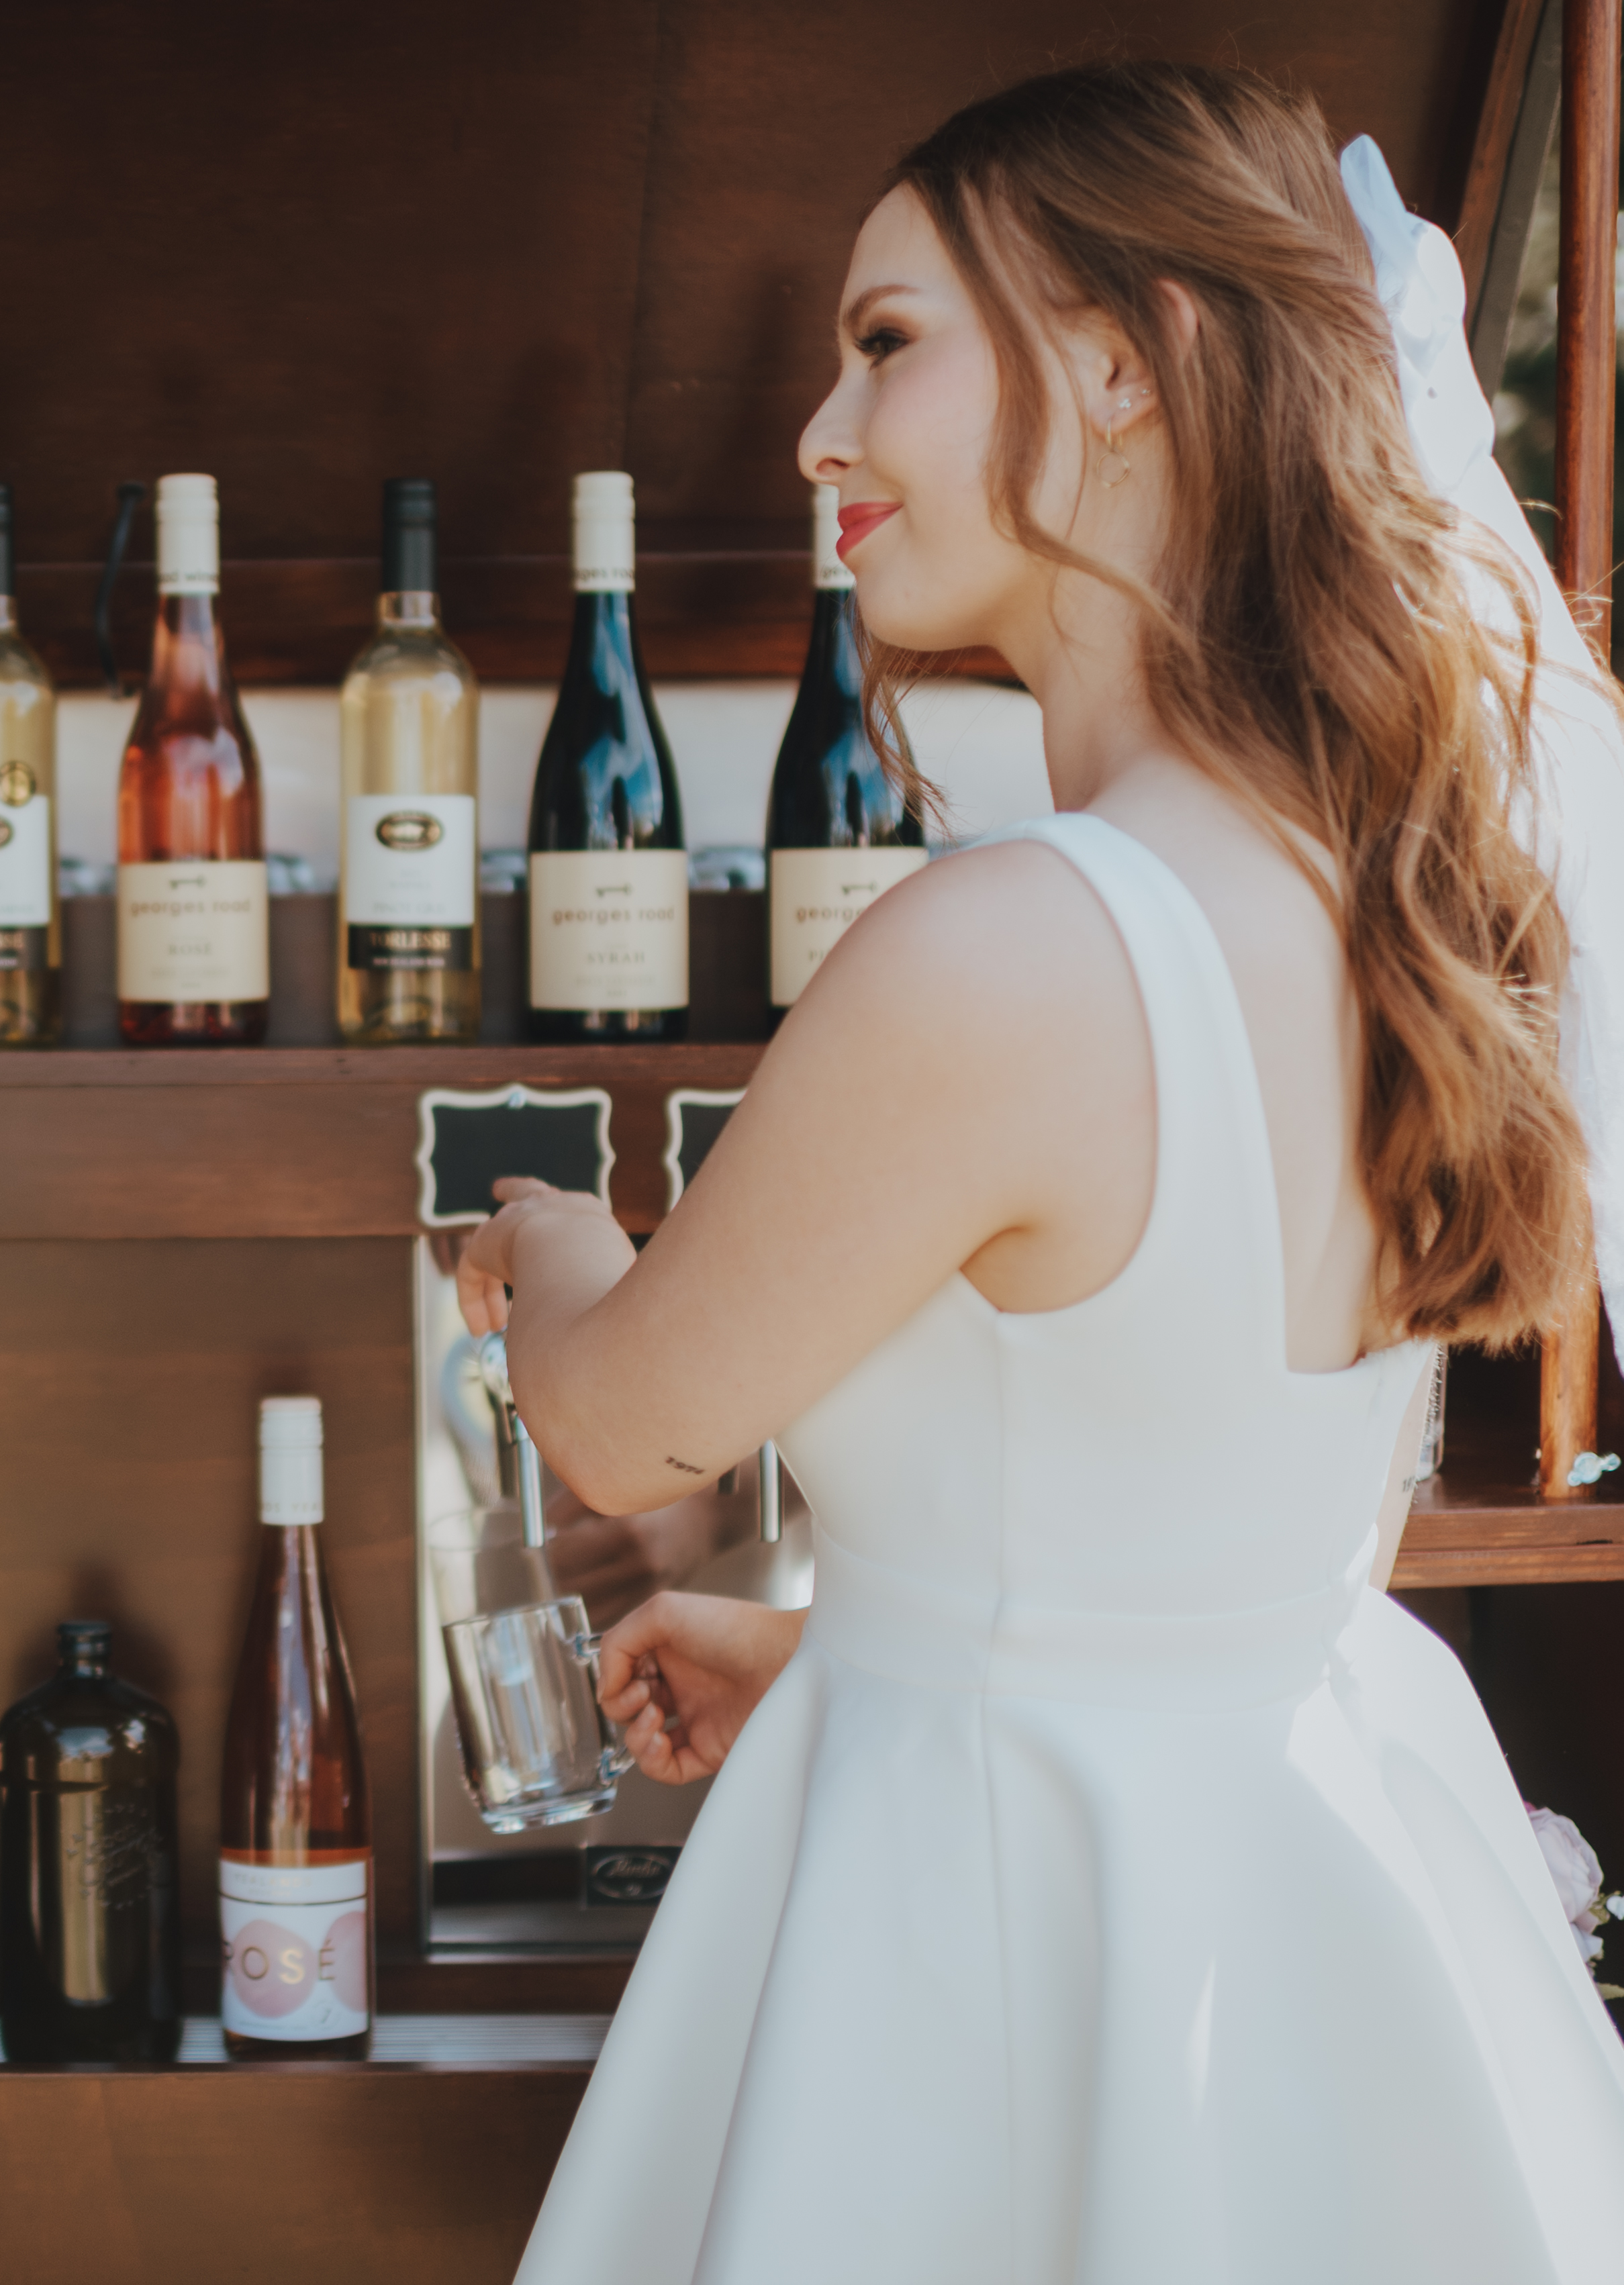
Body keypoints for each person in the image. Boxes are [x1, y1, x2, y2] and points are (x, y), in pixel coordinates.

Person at [452, 62, 1624, 2282]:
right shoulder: (1404, 897)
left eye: (885, 341)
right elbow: (1179, 1530)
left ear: (1124, 359)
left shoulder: (1009, 946)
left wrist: (559, 1246)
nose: (818, 428)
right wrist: (831, 1652)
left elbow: (619, 1425)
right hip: (1305, 1877)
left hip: (992, 1950)